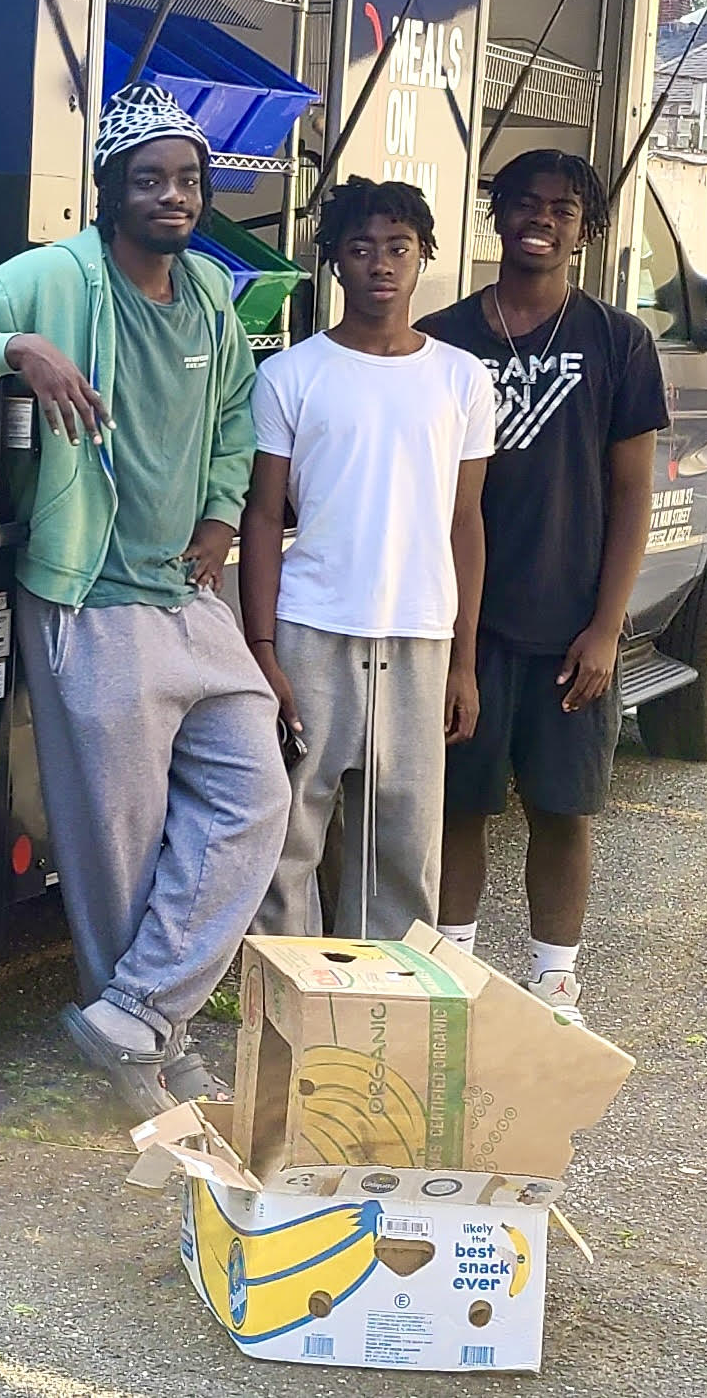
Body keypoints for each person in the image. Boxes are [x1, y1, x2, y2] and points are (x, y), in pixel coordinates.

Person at [0, 84, 289, 1119]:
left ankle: (133, 1019)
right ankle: (150, 1044)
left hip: (184, 593)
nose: (171, 196)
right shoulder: (54, 279)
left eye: (187, 179)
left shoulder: (205, 295)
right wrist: (12, 346)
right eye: (148, 178)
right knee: (117, 843)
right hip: (87, 598)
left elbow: (237, 416)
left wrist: (220, 512)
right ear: (109, 190)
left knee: (254, 795)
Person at [422, 151, 666, 1012]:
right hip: (465, 626)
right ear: (496, 215)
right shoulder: (443, 337)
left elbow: (634, 492)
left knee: (565, 809)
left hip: (570, 625)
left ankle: (554, 976)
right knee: (460, 802)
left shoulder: (618, 341)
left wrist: (608, 625)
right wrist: (449, 639)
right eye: (525, 204)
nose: (542, 219)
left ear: (586, 229)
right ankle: (450, 968)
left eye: (564, 209)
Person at [240, 178, 495, 940]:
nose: (380, 264)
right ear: (334, 265)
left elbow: (466, 522)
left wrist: (463, 662)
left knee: (404, 845)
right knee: (289, 834)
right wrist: (262, 649)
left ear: (423, 260)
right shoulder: (291, 374)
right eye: (360, 249)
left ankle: (386, 1014)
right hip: (312, 628)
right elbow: (261, 517)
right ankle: (287, 998)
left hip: (420, 635)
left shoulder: (460, 378)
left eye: (398, 248)